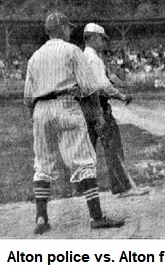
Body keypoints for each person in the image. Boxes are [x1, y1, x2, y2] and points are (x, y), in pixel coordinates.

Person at [24, 12, 124, 235]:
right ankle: (96, 216)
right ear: (61, 29)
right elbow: (89, 88)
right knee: (83, 161)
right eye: (68, 28)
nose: (71, 31)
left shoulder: (34, 57)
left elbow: (27, 98)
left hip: (40, 108)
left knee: (42, 163)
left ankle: (41, 217)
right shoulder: (71, 50)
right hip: (66, 103)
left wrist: (37, 117)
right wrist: (98, 115)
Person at [81, 23, 151, 198]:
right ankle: (123, 188)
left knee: (87, 151)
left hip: (85, 107)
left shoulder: (82, 57)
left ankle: (83, 189)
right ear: (93, 38)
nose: (104, 42)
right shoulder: (94, 59)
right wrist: (121, 96)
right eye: (101, 38)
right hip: (99, 106)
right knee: (113, 147)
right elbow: (103, 86)